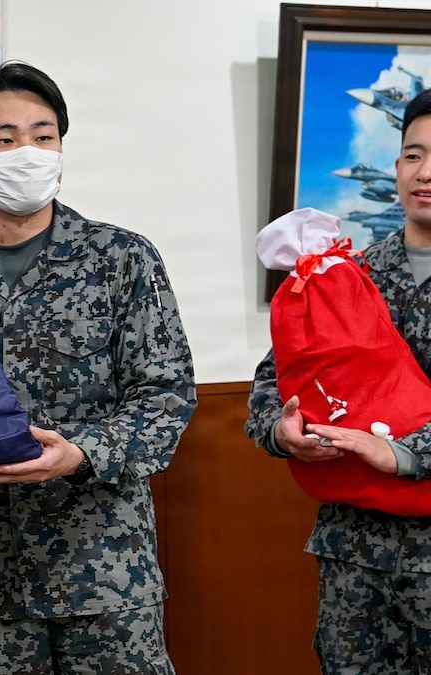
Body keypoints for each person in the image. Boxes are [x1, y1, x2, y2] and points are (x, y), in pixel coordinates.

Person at [0, 62, 197, 674]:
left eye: (44, 135)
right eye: (4, 139)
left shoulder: (122, 259)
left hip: (107, 578)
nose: (27, 152)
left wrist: (81, 451)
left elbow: (165, 398)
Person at [245, 89, 431, 674]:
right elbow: (271, 383)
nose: (424, 173)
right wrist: (282, 429)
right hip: (356, 557)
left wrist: (403, 454)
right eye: (413, 155)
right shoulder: (341, 275)